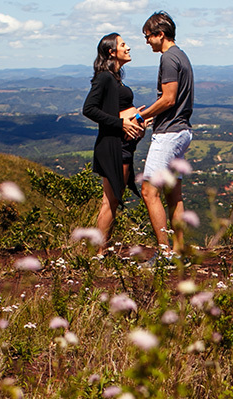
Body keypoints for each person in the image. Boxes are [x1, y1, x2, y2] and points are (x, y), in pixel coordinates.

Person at [136, 11, 194, 257]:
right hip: (182, 131)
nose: (147, 41)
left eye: (148, 36)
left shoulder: (168, 58)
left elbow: (168, 99)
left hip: (169, 133)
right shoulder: (181, 55)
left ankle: (164, 253)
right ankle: (178, 251)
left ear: (160, 34)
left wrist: (142, 116)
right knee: (174, 194)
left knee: (149, 192)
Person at [82, 32, 146, 255]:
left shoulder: (114, 78)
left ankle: (101, 248)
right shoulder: (105, 78)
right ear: (112, 52)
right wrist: (121, 123)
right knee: (110, 200)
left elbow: (117, 109)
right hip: (115, 146)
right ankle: (100, 251)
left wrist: (138, 117)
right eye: (123, 44)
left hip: (123, 145)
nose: (128, 48)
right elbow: (89, 109)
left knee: (112, 199)